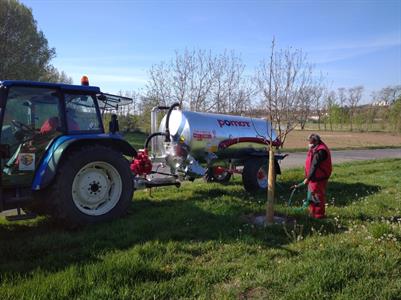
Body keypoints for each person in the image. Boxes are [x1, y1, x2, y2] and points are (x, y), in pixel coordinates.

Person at [303, 133, 332, 219]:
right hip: (314, 177)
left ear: (316, 141)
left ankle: (318, 215)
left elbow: (314, 165)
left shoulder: (320, 151)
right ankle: (313, 213)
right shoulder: (316, 148)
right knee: (312, 196)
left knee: (317, 196)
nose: (309, 144)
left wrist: (308, 178)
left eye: (311, 142)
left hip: (318, 177)